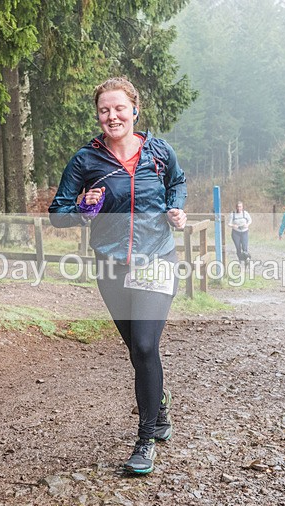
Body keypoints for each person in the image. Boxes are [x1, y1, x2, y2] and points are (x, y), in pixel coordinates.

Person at [48, 77, 187, 475]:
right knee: (136, 349)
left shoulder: (159, 153)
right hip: (110, 265)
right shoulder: (85, 161)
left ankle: (145, 440)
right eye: (105, 110)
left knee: (144, 345)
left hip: (156, 258)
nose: (112, 116)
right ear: (98, 116)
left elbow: (177, 182)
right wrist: (83, 208)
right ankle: (158, 403)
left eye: (119, 108)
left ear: (134, 110)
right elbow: (58, 215)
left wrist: (176, 209)